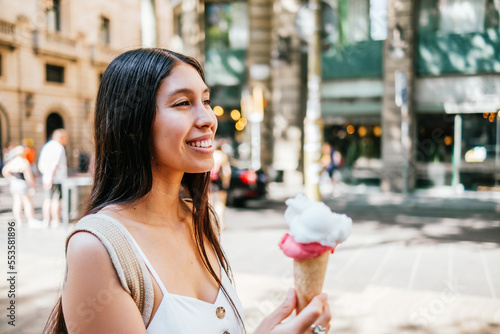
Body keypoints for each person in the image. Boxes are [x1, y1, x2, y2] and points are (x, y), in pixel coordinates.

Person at [44, 48, 331, 334]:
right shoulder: (97, 248)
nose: (208, 118)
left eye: (205, 100)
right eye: (182, 103)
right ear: (132, 123)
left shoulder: (198, 219)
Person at [38, 129, 68, 228]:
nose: (66, 141)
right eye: (65, 138)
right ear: (61, 138)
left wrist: (46, 176)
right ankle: (56, 221)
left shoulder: (46, 146)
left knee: (47, 200)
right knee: (56, 200)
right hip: (56, 179)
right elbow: (54, 165)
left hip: (47, 177)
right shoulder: (59, 147)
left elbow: (40, 164)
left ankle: (46, 221)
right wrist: (50, 178)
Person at [1, 145, 39, 226]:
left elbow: (4, 171)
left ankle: (19, 221)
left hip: (14, 183)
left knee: (17, 202)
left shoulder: (12, 162)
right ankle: (30, 219)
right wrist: (32, 185)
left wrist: (11, 178)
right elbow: (28, 176)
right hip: (22, 183)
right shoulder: (24, 162)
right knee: (27, 202)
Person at [210, 138, 232, 230]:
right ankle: (221, 224)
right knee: (220, 204)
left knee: (209, 203)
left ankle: (210, 224)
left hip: (209, 182)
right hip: (219, 181)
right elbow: (227, 171)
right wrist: (226, 182)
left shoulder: (210, 155)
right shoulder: (222, 155)